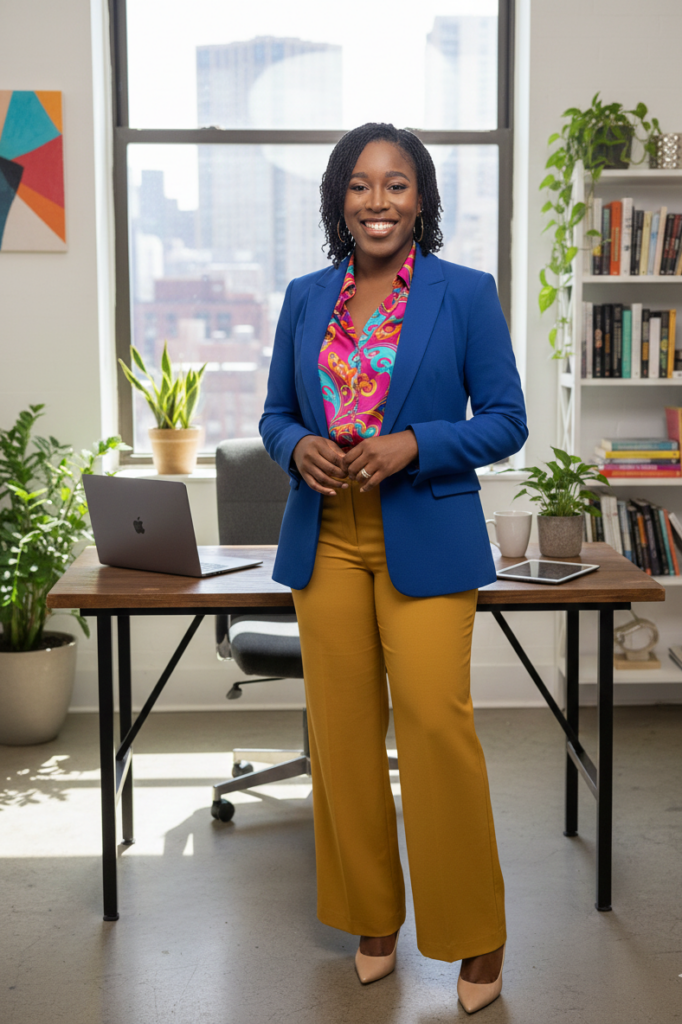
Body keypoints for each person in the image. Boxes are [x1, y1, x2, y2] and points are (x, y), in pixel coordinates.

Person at [259, 122, 527, 1014]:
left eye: (398, 185)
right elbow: (272, 415)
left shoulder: (464, 294)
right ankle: (373, 914)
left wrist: (417, 441)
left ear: (423, 199)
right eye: (362, 185)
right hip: (326, 535)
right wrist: (296, 445)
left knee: (433, 727)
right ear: (340, 198)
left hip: (425, 533)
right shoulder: (304, 297)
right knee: (339, 737)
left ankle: (474, 935)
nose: (379, 201)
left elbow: (506, 418)